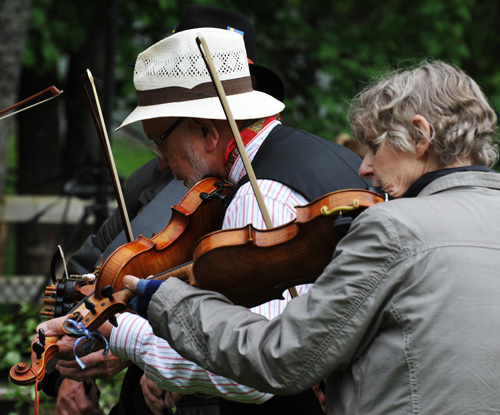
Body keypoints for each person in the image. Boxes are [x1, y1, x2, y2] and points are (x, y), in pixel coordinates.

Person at [112, 60, 500, 414]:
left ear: (420, 136)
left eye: (375, 146)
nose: (363, 167)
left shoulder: (393, 228)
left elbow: (281, 358)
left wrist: (164, 302)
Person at [37, 26, 371, 414]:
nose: (160, 162)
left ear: (207, 132)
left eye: (160, 141)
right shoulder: (325, 155)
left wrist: (117, 333)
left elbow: (250, 368)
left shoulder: (262, 198)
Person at [48, 7, 290, 415]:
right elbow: (89, 269)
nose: (162, 158)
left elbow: (264, 337)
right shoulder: (153, 176)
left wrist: (145, 355)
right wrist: (62, 372)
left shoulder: (266, 181)